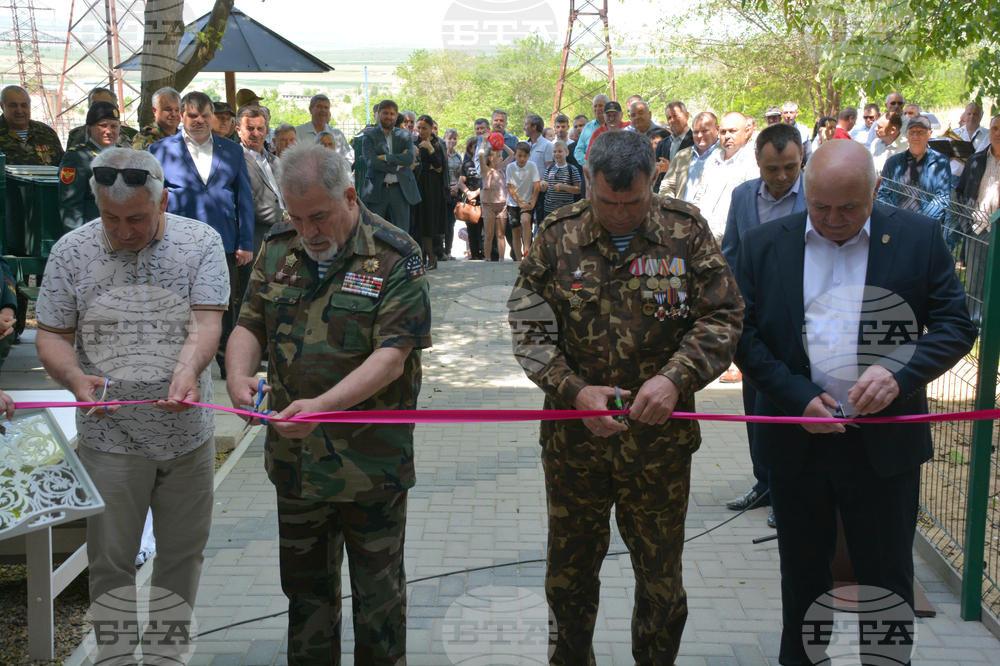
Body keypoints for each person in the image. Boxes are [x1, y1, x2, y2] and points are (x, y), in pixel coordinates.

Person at [733, 138, 976, 666]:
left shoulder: (917, 237)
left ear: (875, 191)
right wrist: (798, 398)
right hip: (798, 446)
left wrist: (899, 373)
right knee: (802, 580)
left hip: (883, 447)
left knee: (886, 582)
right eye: (819, 206)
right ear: (805, 190)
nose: (833, 220)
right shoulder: (763, 244)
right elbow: (743, 335)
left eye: (849, 207)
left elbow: (956, 324)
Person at [508, 129, 743, 665]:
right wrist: (573, 391)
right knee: (567, 585)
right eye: (607, 201)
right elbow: (528, 327)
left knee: (662, 590)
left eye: (633, 202)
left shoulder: (685, 232)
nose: (619, 213)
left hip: (658, 449)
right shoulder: (556, 236)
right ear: (588, 181)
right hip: (575, 448)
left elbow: (723, 315)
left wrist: (675, 377)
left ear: (652, 180)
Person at [225, 142, 431, 665]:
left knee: (379, 601)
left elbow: (391, 356)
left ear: (349, 196)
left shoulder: (396, 253)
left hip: (371, 464)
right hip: (297, 465)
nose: (309, 231)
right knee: (307, 598)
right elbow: (249, 322)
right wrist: (237, 374)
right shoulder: (278, 248)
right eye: (296, 217)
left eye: (319, 216)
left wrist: (323, 405)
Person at [36, 147, 228, 665]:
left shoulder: (201, 242)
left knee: (181, 556)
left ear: (163, 200)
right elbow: (52, 334)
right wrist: (74, 376)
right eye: (111, 218)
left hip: (186, 432)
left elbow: (207, 322)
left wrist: (187, 371)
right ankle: (115, 658)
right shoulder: (71, 252)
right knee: (112, 562)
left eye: (137, 218)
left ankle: (167, 657)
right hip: (108, 438)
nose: (124, 231)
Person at [719, 122, 807, 525]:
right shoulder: (742, 197)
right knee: (756, 405)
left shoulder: (815, 197)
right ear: (757, 162)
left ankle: (791, 490)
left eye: (790, 166)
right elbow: (731, 253)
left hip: (802, 321)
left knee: (796, 401)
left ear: (801, 158)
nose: (782, 176)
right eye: (773, 168)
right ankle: (764, 483)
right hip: (752, 320)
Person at [148, 91, 254, 378]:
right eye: (193, 116)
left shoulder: (231, 150)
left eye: (205, 116)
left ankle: (227, 367)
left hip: (224, 241)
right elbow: (152, 199)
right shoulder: (159, 151)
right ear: (182, 116)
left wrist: (245, 243)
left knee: (224, 305)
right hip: (176, 243)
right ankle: (176, 362)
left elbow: (244, 198)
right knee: (176, 303)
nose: (199, 121)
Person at [954, 113, 1000, 320]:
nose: (997, 133)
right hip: (977, 229)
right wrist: (966, 223)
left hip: (998, 232)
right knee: (974, 283)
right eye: (994, 128)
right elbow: (961, 192)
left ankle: (993, 324)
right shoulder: (975, 160)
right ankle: (972, 323)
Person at [688, 111, 755, 242]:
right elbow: (699, 197)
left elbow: (748, 211)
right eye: (723, 132)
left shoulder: (753, 162)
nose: (727, 136)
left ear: (747, 131)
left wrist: (712, 234)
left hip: (731, 244)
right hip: (701, 240)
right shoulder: (713, 160)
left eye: (732, 131)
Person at [360, 99, 421, 236]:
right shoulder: (369, 135)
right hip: (377, 189)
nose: (389, 116)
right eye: (385, 113)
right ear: (378, 113)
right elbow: (371, 162)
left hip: (400, 189)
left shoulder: (405, 135)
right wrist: (397, 165)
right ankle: (376, 258)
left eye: (392, 114)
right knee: (374, 232)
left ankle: (401, 258)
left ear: (396, 115)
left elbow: (409, 158)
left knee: (402, 233)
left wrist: (386, 158)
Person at [58, 101, 121, 233]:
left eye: (114, 126)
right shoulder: (77, 157)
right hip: (93, 230)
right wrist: (76, 238)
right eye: (102, 126)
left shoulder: (125, 154)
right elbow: (71, 204)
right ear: (89, 128)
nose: (109, 131)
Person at [877, 115, 951, 224]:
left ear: (929, 134)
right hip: (896, 223)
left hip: (926, 225)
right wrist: (895, 216)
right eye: (911, 132)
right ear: (906, 134)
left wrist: (919, 220)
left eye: (920, 132)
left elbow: (942, 198)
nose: (915, 136)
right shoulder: (893, 162)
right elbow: (882, 193)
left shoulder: (941, 162)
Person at [238, 105, 285, 257]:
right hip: (256, 239)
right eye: (250, 128)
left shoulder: (275, 160)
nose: (256, 133)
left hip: (284, 235)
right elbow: (245, 202)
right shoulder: (236, 160)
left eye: (260, 128)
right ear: (239, 131)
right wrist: (283, 216)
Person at [412, 114, 448, 270]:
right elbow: (413, 165)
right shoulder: (413, 141)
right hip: (417, 186)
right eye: (418, 128)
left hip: (432, 189)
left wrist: (431, 150)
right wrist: (428, 167)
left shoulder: (438, 143)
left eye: (424, 128)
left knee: (428, 224)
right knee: (418, 224)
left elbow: (440, 166)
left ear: (431, 128)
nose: (421, 131)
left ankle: (432, 258)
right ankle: (425, 259)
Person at [661, 111, 719, 201]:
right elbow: (668, 185)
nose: (700, 135)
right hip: (680, 213)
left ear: (717, 130)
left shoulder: (726, 155)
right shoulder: (682, 156)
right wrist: (670, 205)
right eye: (696, 132)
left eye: (705, 131)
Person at [0, 84, 63, 165]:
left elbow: (62, 166)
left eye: (24, 105)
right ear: (2, 106)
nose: (19, 111)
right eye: (13, 106)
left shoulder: (47, 133)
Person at [66, 87, 137, 148]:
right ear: (89, 107)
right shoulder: (75, 134)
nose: (100, 108)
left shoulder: (133, 135)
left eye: (106, 104)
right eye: (95, 104)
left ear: (116, 107)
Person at [506, 141, 541, 259]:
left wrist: (532, 204)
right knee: (516, 231)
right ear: (514, 154)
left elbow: (536, 185)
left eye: (524, 156)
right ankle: (517, 258)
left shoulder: (532, 166)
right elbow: (510, 187)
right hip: (513, 203)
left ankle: (527, 253)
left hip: (527, 202)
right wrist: (519, 203)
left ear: (528, 156)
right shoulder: (510, 167)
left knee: (526, 221)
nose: (522, 158)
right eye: (519, 155)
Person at [480, 139, 514, 262]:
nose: (501, 158)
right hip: (488, 205)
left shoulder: (502, 168)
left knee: (501, 234)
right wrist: (484, 142)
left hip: (502, 205)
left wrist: (501, 144)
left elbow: (512, 155)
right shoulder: (485, 170)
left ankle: (501, 259)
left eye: (501, 156)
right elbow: (480, 155)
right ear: (490, 158)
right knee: (489, 234)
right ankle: (487, 259)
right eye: (498, 156)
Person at [296, 94, 353, 163]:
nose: (323, 110)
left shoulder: (337, 134)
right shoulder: (298, 133)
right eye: (319, 107)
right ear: (310, 109)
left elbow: (347, 160)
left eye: (326, 107)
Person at [655, 101, 694, 193]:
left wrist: (670, 169)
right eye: (669, 117)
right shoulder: (662, 144)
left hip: (685, 194)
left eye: (676, 116)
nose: (672, 120)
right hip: (664, 195)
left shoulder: (696, 142)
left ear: (687, 115)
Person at [539, 139, 581, 219]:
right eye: (554, 152)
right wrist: (543, 185)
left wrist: (564, 187)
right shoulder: (549, 169)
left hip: (566, 210)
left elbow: (578, 189)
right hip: (549, 209)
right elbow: (544, 189)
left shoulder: (572, 169)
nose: (557, 154)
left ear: (567, 153)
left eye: (560, 151)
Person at [458, 135, 484, 259]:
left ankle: (485, 254)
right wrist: (469, 193)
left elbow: (487, 181)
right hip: (470, 202)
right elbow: (461, 182)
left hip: (483, 200)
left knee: (484, 230)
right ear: (470, 149)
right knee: (472, 230)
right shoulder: (466, 164)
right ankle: (474, 255)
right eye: (474, 146)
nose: (477, 147)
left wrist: (477, 193)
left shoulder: (485, 163)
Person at [952, 102, 988, 180]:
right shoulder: (954, 133)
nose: (972, 116)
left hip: (976, 178)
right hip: (954, 178)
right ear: (964, 115)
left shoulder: (988, 135)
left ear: (982, 115)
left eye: (975, 114)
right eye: (969, 114)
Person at [574, 94, 609, 166]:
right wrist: (587, 163)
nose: (597, 108)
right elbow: (578, 151)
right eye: (595, 106)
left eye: (600, 106)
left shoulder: (613, 126)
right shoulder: (588, 127)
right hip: (590, 171)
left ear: (607, 107)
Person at [444, 128, 463, 260]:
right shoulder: (442, 154)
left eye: (454, 138)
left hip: (455, 193)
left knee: (451, 223)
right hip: (443, 192)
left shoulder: (458, 156)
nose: (452, 141)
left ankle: (448, 251)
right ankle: (439, 251)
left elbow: (460, 175)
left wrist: (457, 187)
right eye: (449, 138)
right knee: (442, 222)